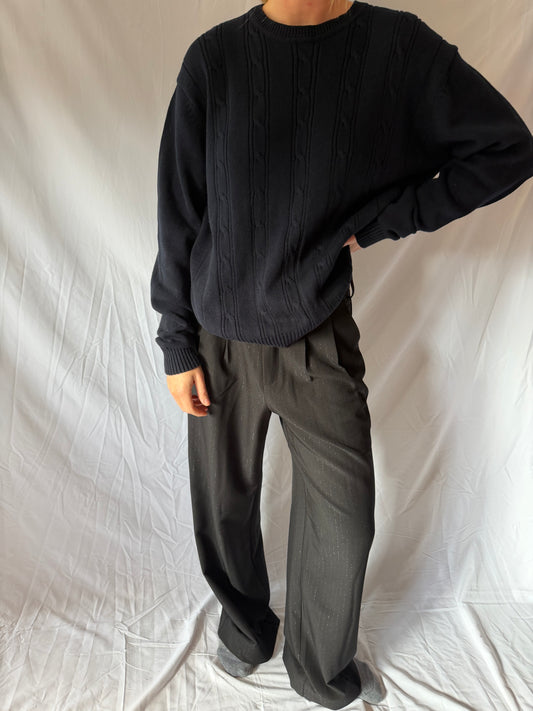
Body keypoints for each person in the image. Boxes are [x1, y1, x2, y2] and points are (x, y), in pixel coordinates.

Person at [150, 0, 533, 707]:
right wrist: (176, 339)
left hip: (318, 336)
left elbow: (508, 148)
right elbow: (179, 209)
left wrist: (389, 219)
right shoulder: (215, 59)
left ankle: (319, 667)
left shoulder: (398, 49)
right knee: (223, 508)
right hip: (217, 338)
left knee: (344, 520)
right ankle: (245, 631)